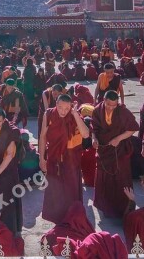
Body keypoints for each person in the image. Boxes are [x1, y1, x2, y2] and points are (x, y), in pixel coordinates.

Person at [38, 93, 90, 224]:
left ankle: (72, 217)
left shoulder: (73, 117)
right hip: (54, 157)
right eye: (61, 107)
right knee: (55, 190)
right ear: (56, 104)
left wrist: (75, 114)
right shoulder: (49, 114)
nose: (63, 111)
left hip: (70, 159)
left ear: (71, 107)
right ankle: (58, 219)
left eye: (67, 109)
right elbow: (43, 136)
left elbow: (85, 134)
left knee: (71, 190)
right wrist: (41, 158)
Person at [91, 90, 139, 218]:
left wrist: (119, 138)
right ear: (104, 101)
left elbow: (133, 128)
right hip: (104, 149)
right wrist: (94, 139)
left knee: (121, 176)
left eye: (114, 105)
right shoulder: (97, 110)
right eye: (109, 105)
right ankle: (105, 206)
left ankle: (123, 206)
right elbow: (94, 128)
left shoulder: (122, 111)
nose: (111, 107)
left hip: (119, 150)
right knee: (103, 176)